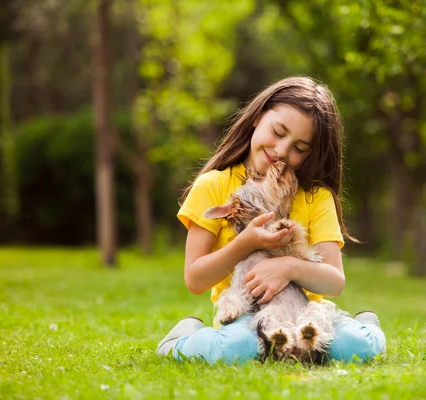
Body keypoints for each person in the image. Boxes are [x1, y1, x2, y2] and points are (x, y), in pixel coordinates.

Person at [156, 76, 385, 364]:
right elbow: (195, 279)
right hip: (245, 315)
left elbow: (334, 282)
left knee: (356, 346)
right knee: (236, 349)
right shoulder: (214, 186)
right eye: (278, 132)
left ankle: (367, 325)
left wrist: (288, 266)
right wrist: (245, 243)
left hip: (307, 317)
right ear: (257, 117)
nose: (281, 151)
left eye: (299, 148)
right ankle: (180, 340)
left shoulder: (316, 198)